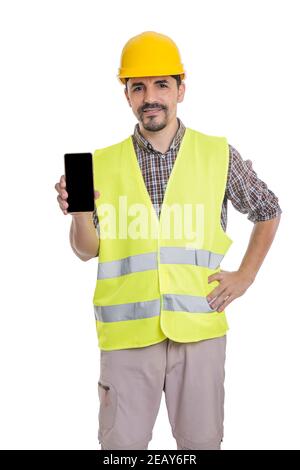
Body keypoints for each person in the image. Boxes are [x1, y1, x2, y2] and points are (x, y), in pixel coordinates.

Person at [54, 31, 282, 450]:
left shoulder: (218, 154)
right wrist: (79, 210)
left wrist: (245, 277)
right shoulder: (99, 164)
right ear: (126, 95)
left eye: (161, 84)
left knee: (201, 446)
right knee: (121, 450)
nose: (150, 96)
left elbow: (268, 209)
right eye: (138, 86)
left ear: (181, 88)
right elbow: (87, 250)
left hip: (199, 331)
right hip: (127, 338)